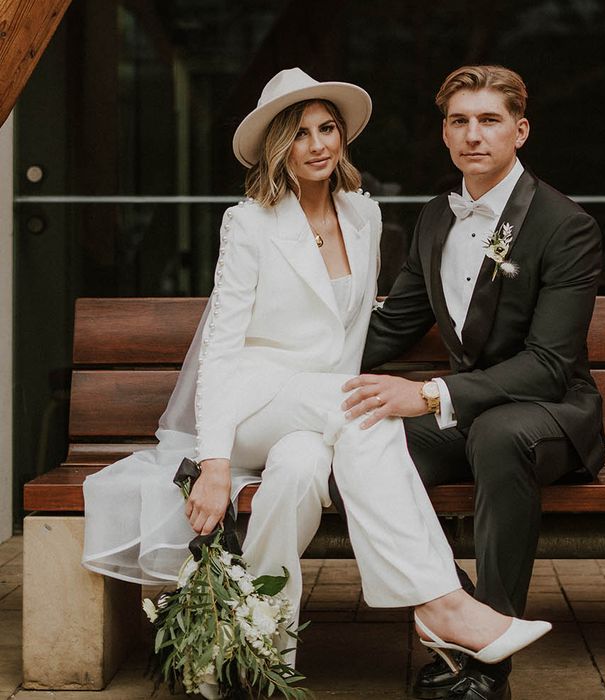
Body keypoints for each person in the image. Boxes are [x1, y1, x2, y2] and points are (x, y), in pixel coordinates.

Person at [81, 67, 551, 678]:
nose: (319, 144)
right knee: (369, 407)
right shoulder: (248, 222)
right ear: (280, 146)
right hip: (252, 404)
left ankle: (257, 656)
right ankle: (442, 602)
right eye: (300, 134)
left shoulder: (364, 216)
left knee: (299, 472)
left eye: (327, 129)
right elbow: (222, 347)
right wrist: (216, 462)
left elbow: (354, 329)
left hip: (315, 411)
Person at [341, 65, 605, 700]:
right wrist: (292, 365)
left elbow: (548, 363)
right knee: (362, 443)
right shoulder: (435, 217)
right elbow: (391, 328)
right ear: (445, 134)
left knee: (497, 435)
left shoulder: (565, 226)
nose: (473, 134)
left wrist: (430, 394)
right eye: (459, 121)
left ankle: (490, 668)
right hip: (473, 415)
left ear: (520, 130)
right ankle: (455, 605)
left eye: (489, 120)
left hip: (550, 415)